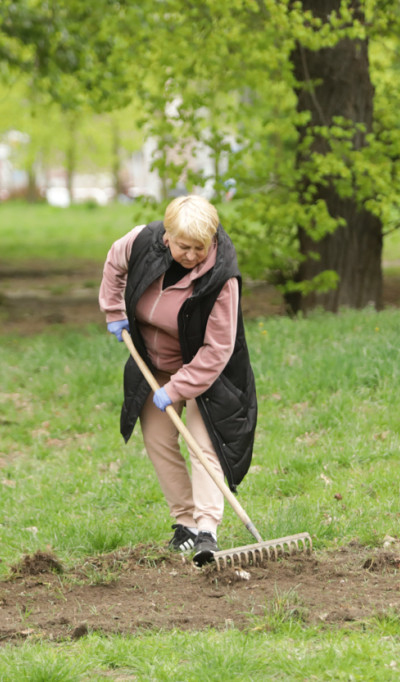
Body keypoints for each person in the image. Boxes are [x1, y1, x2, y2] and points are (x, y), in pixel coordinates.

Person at [99, 195, 257, 566]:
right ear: (166, 236)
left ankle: (207, 531)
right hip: (154, 363)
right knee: (158, 439)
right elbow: (114, 262)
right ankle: (184, 524)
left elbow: (218, 350)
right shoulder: (141, 242)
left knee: (204, 447)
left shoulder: (221, 279)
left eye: (199, 248)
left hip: (206, 372)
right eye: (183, 246)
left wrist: (177, 388)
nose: (190, 255)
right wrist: (113, 309)